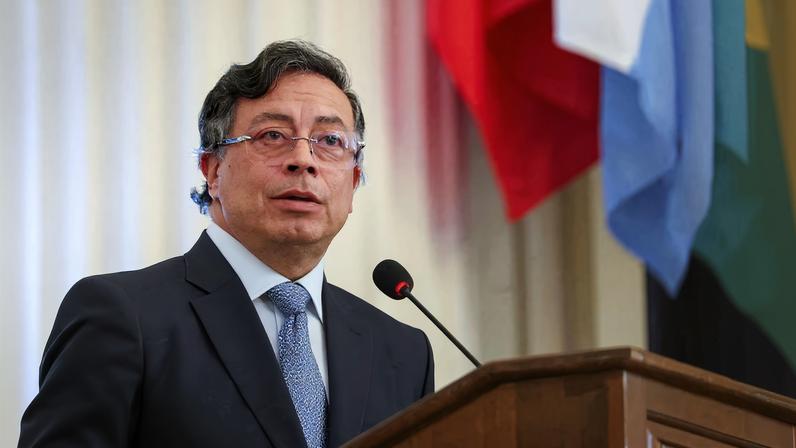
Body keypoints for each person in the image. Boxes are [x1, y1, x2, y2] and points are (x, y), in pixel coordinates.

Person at [18, 40, 434, 448]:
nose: (304, 160)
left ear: (354, 181)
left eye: (329, 141)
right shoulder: (122, 316)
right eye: (273, 134)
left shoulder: (403, 353)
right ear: (213, 170)